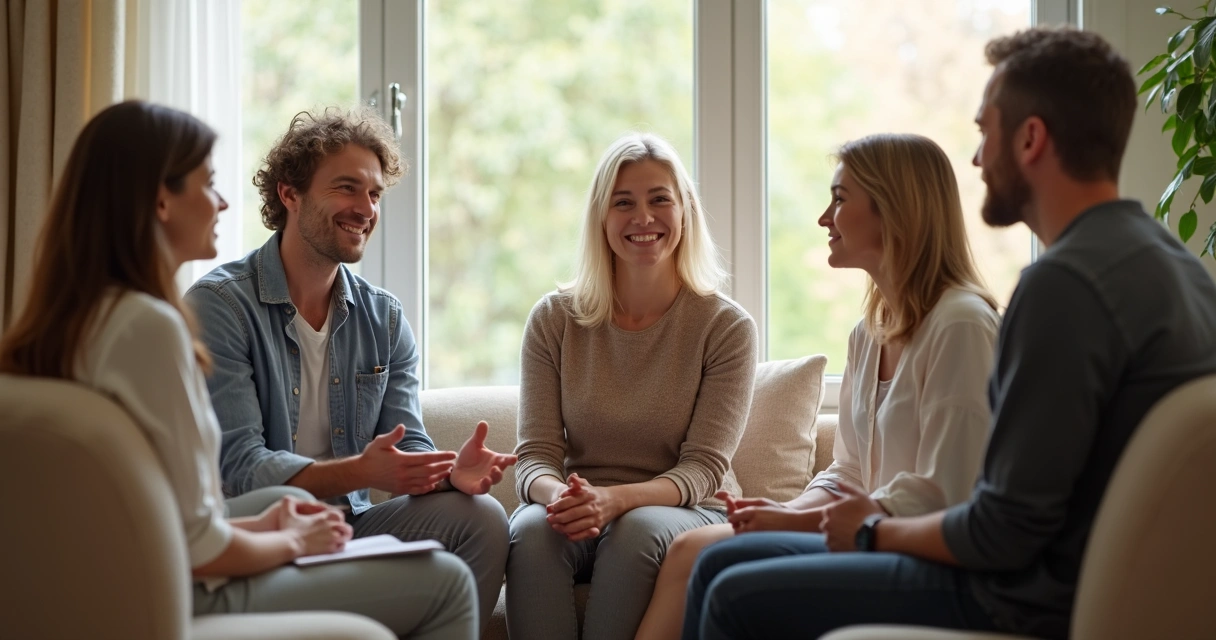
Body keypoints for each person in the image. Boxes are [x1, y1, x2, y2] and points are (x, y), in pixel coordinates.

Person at [681, 26, 1216, 640]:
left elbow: (999, 527)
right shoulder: (1175, 267)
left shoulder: (1064, 287)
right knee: (719, 563)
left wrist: (868, 530)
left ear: (1031, 138)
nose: (978, 158)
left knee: (731, 593)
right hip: (1064, 577)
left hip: (1023, 595)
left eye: (986, 131)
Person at [0, 100, 478, 638]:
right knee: (446, 582)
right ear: (161, 200)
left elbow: (169, 518)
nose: (223, 201)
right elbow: (201, 537)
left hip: (136, 571)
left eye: (375, 193)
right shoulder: (156, 325)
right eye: (206, 184)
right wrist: (293, 538)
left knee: (299, 503)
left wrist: (443, 472)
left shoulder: (87, 318)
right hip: (174, 589)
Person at [635, 133, 1000, 640]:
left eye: (840, 199)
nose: (825, 218)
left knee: (728, 579)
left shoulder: (960, 324)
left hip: (924, 554)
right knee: (706, 552)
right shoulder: (870, 332)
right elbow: (848, 470)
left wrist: (796, 525)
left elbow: (945, 493)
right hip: (870, 538)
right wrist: (783, 511)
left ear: (893, 209)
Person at [184, 107, 514, 630]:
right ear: (289, 194)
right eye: (347, 189)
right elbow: (241, 469)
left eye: (375, 194)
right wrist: (360, 470)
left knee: (482, 519)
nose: (366, 208)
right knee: (285, 494)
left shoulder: (383, 317)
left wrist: (446, 473)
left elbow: (407, 445)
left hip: (351, 524)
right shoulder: (221, 306)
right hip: (263, 528)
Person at [506, 132, 758, 640]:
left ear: (685, 211)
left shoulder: (725, 327)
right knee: (532, 531)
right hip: (583, 506)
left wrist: (616, 501)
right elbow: (534, 455)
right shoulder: (555, 319)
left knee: (636, 530)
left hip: (685, 511)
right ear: (602, 218)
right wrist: (560, 498)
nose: (643, 218)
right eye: (624, 203)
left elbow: (704, 469)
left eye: (659, 199)